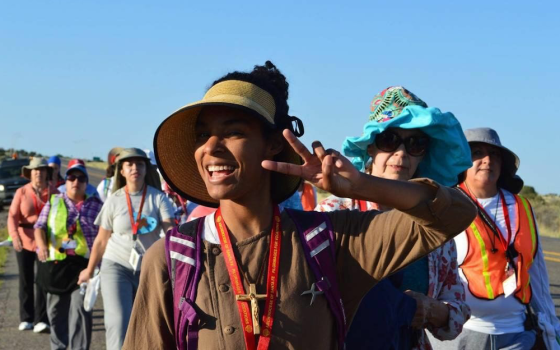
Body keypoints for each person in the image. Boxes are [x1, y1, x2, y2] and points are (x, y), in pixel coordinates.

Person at [122, 61, 477, 349]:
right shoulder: (174, 257)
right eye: (202, 134)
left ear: (274, 144)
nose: (210, 147)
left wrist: (365, 185)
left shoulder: (328, 241)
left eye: (233, 132)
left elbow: (456, 213)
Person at [316, 86, 472, 349]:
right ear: (371, 148)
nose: (401, 153)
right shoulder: (334, 211)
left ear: (424, 156)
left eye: (415, 144)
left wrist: (428, 309)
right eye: (389, 140)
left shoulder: (435, 224)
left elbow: (458, 311)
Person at [430, 128, 560, 350]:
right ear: (461, 161)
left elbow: (537, 274)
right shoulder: (445, 205)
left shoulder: (523, 207)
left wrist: (552, 327)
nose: (487, 160)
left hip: (516, 335)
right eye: (477, 153)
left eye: (495, 155)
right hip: (459, 335)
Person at [77, 148, 174, 350]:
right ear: (121, 171)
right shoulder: (114, 200)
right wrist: (89, 269)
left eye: (139, 164)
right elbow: (102, 240)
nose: (134, 168)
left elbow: (171, 232)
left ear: (146, 169)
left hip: (148, 268)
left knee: (148, 322)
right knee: (118, 320)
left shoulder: (158, 198)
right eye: (129, 164)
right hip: (116, 265)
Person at [34, 159, 103, 350]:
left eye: (81, 178)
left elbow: (104, 236)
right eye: (72, 177)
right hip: (56, 264)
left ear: (86, 182)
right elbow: (39, 227)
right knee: (55, 312)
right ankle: (59, 347)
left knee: (81, 310)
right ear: (66, 180)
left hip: (84, 266)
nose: (76, 181)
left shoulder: (96, 205)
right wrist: (42, 247)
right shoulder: (54, 201)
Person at [7, 157, 55, 333]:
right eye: (35, 170)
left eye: (41, 170)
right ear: (30, 173)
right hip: (24, 238)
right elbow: (12, 216)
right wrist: (14, 236)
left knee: (42, 279)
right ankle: (26, 317)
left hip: (45, 241)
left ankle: (41, 318)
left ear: (46, 173)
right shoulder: (22, 192)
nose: (38, 173)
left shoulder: (54, 192)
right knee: (25, 279)